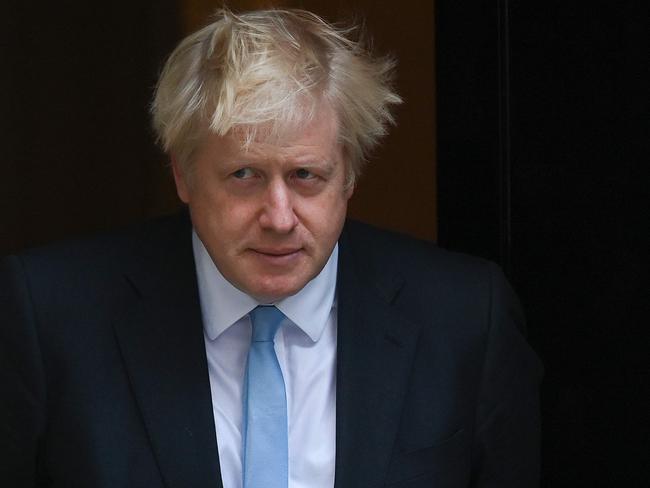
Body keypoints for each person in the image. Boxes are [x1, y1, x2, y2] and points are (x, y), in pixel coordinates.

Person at [0, 8, 542, 488]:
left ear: (348, 175)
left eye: (306, 175)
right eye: (243, 175)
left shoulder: (467, 316)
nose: (279, 218)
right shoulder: (49, 317)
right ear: (183, 176)